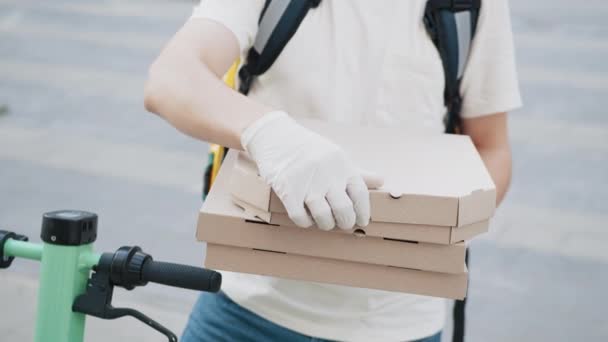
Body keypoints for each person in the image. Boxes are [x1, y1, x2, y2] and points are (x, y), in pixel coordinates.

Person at [144, 0, 521, 341]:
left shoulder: (469, 5)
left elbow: (491, 147)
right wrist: (272, 135)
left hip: (401, 325)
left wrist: (434, 223)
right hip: (245, 312)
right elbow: (172, 78)